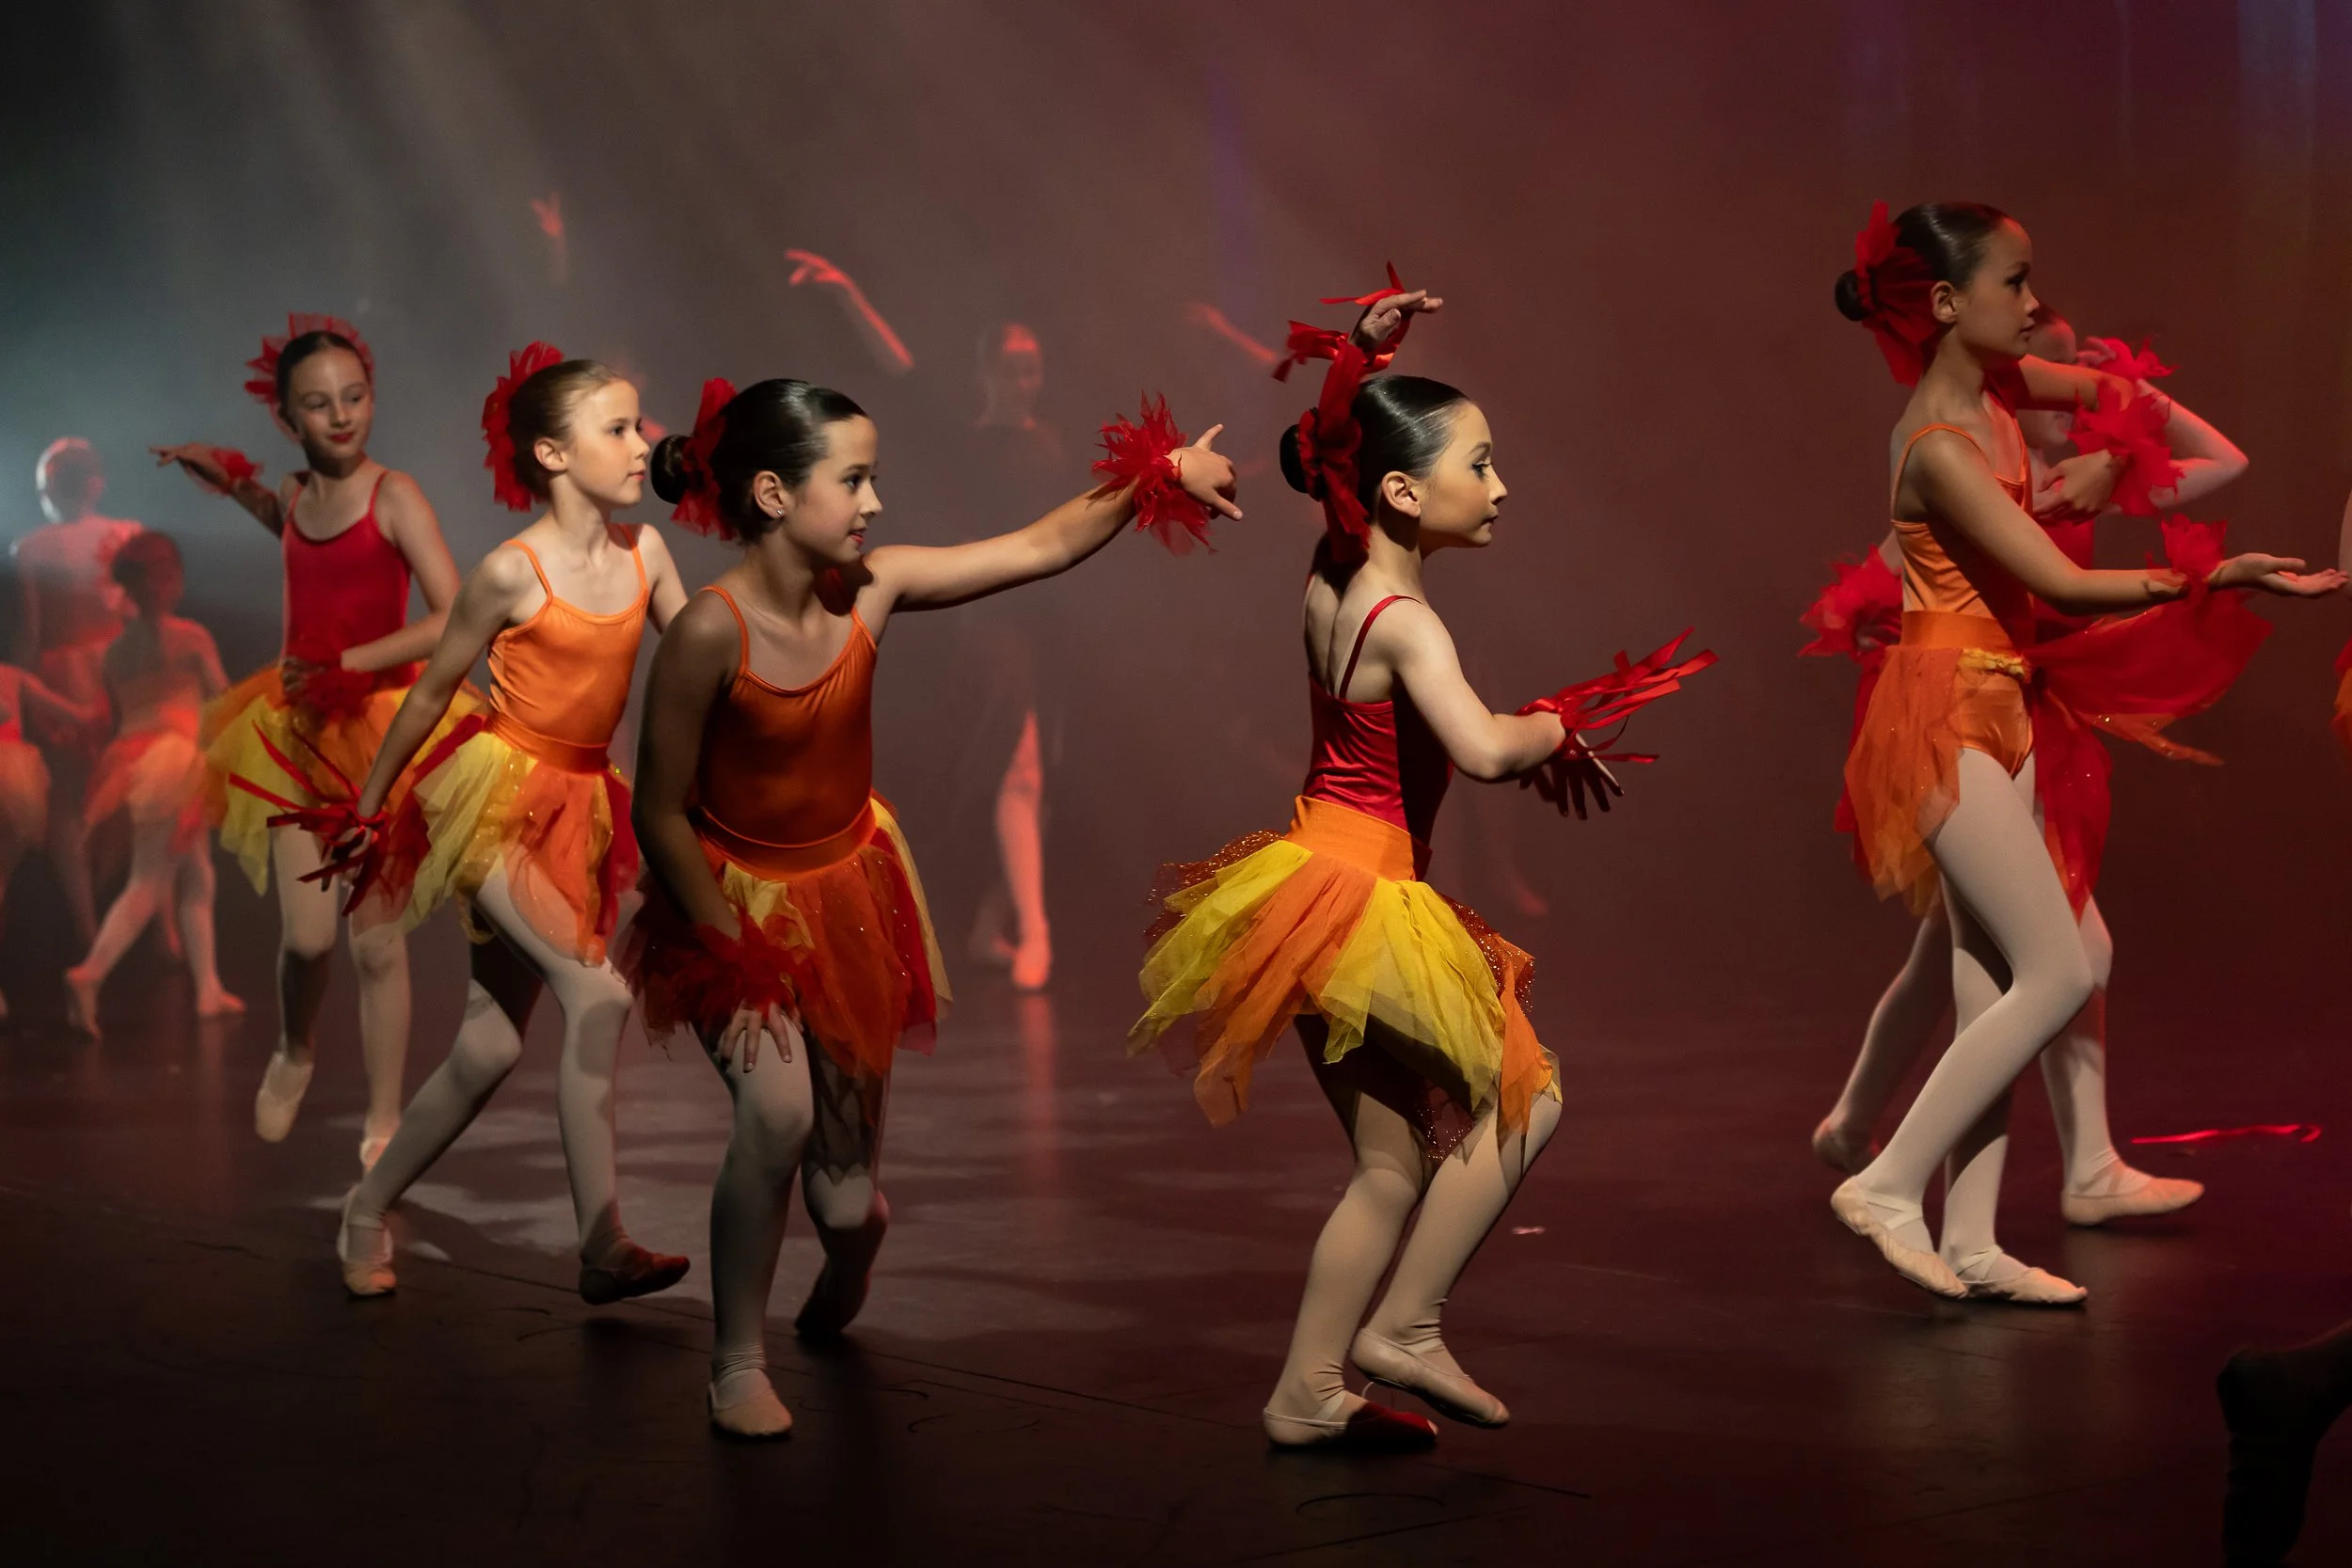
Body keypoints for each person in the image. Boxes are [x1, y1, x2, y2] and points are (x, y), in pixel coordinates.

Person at [1134, 278, 1708, 1449]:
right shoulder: (1404, 615)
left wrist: (1353, 354)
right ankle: (1405, 1324)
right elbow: (1486, 749)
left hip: (1305, 880)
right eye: (1481, 464)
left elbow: (1338, 453)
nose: (1501, 487)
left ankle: (1306, 1390)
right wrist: (1554, 724)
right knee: (1529, 1091)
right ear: (1403, 489)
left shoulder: (1331, 579)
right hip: (1360, 895)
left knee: (1391, 1163)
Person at [624, 372, 1236, 1436]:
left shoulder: (875, 586)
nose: (873, 502)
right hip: (732, 906)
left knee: (844, 1201)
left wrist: (1154, 477)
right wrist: (732, 947)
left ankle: (850, 1259)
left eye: (874, 478)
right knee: (772, 1117)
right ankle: (734, 1359)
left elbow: (1036, 545)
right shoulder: (707, 633)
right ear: (772, 493)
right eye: (852, 479)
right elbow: (659, 812)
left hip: (850, 891)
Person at [1828, 200, 2339, 1304]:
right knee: (2057, 966)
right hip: (1944, 703)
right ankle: (1884, 1179)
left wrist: (2116, 456)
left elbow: (2137, 400)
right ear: (1949, 304)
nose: (2033, 303)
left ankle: (1970, 1239)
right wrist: (2217, 574)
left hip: (2007, 695)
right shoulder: (1936, 443)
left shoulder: (2008, 391)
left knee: (1989, 985)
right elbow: (2060, 583)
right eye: (2012, 283)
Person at [325, 345, 691, 1305]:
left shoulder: (646, 551)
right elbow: (427, 696)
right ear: (553, 453)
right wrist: (369, 806)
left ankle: (366, 1205)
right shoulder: (508, 570)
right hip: (492, 801)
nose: (641, 442)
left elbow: (697, 665)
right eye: (617, 428)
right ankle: (601, 1239)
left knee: (488, 1047)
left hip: (583, 804)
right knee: (600, 995)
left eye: (639, 423)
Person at [154, 314, 465, 1167]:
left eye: (354, 397)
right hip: (294, 732)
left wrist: (351, 659)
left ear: (372, 398)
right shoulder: (294, 493)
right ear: (288, 420)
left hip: (382, 731)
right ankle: (295, 1046)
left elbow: (453, 615)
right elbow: (287, 525)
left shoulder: (396, 494)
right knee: (307, 940)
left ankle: (383, 1124)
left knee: (376, 945)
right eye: (319, 405)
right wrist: (224, 479)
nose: (341, 416)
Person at [64, 531, 242, 1031]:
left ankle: (208, 988)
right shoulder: (190, 636)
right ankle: (90, 973)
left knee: (197, 873)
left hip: (134, 761)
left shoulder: (115, 651)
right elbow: (221, 697)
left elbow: (111, 715)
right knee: (150, 880)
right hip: (173, 760)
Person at [14, 437, 143, 942]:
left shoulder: (30, 547)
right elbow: (136, 616)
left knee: (73, 801)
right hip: (113, 668)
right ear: (95, 483)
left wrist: (23, 691)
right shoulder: (124, 533)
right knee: (131, 788)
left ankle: (91, 923)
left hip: (64, 674)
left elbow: (31, 631)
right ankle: (143, 923)